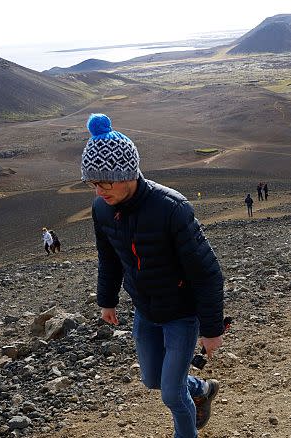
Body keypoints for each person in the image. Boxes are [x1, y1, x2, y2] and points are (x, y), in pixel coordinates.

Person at [81, 113, 224, 438]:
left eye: (105, 181)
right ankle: (200, 388)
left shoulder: (171, 208)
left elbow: (208, 274)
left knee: (172, 395)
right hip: (145, 312)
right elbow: (109, 257)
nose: (99, 190)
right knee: (153, 379)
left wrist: (212, 329)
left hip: (181, 315)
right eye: (93, 182)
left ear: (127, 173)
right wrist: (107, 301)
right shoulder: (102, 208)